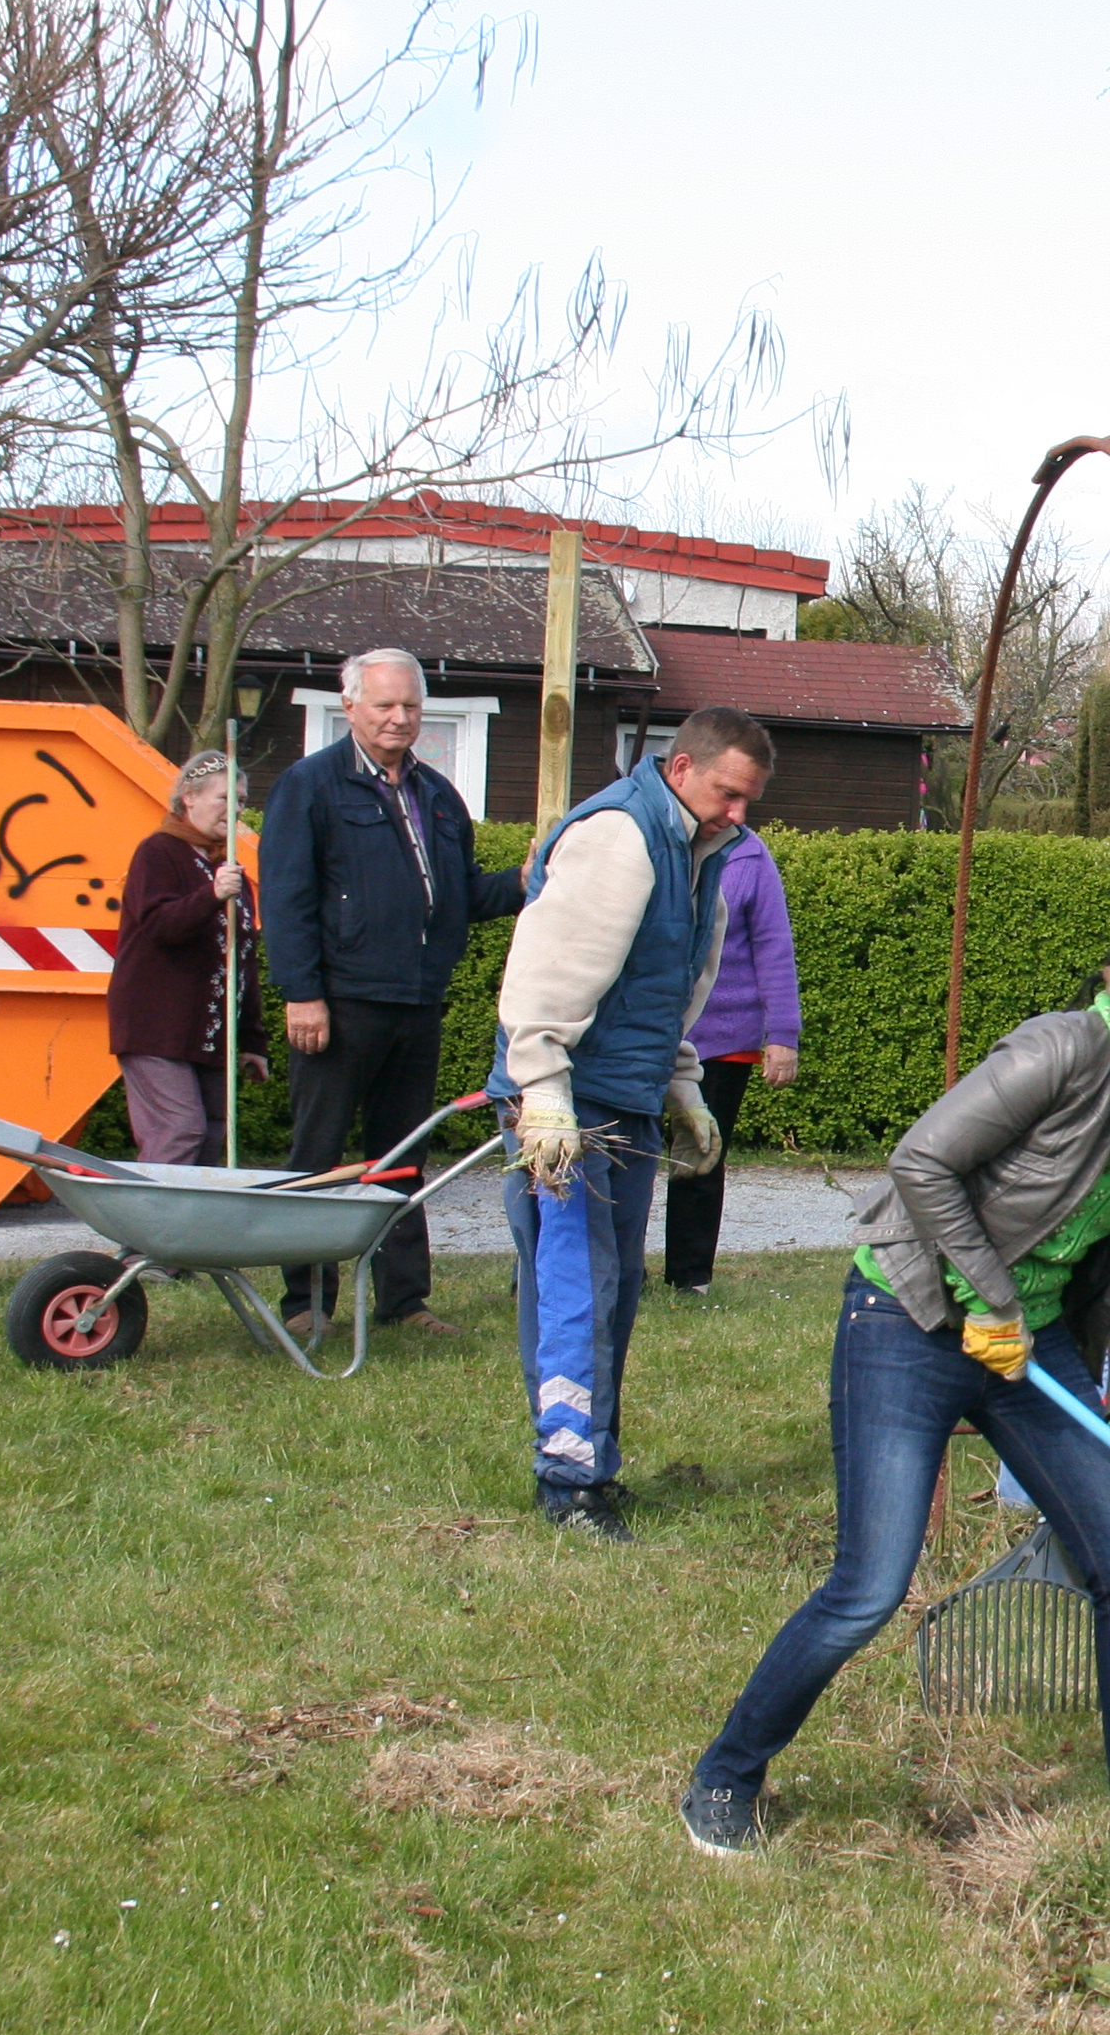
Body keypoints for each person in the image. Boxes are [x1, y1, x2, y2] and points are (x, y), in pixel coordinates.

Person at [681, 913, 1110, 1857]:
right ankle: (725, 1776)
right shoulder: (1067, 1050)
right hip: (909, 1317)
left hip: (1030, 1345)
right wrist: (990, 1297)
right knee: (870, 1586)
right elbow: (922, 1160)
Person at [488, 706, 773, 1542]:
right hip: (568, 1104)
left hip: (626, 1098)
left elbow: (668, 986)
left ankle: (591, 1462)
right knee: (578, 1287)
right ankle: (569, 1483)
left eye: (749, 800)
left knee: (611, 1294)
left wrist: (682, 1084)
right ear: (681, 769)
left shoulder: (698, 852)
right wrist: (544, 1094)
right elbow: (544, 974)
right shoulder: (618, 837)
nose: (737, 814)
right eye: (727, 793)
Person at [261, 648, 527, 1334]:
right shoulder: (309, 786)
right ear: (350, 706)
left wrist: (524, 882)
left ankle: (404, 1303)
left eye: (410, 705)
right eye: (384, 705)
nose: (399, 718)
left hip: (417, 1002)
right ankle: (307, 1304)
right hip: (340, 1002)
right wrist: (302, 994)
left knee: (403, 1156)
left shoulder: (437, 794)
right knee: (318, 1157)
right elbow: (286, 900)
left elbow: (462, 894)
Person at [107, 751, 269, 1164]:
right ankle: (153, 1208)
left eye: (241, 800)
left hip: (209, 1033)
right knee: (179, 1130)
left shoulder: (228, 871)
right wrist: (211, 894)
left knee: (212, 1134)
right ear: (189, 798)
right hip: (158, 1027)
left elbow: (242, 961)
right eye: (225, 798)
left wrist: (253, 1040)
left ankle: (193, 1210)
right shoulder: (158, 853)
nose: (236, 809)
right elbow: (160, 926)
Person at [662, 825, 803, 1295]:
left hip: (723, 1035)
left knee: (703, 1151)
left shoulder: (752, 855)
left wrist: (782, 1033)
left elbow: (773, 945)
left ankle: (690, 1278)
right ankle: (618, 1272)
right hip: (644, 1027)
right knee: (624, 1153)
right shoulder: (649, 836)